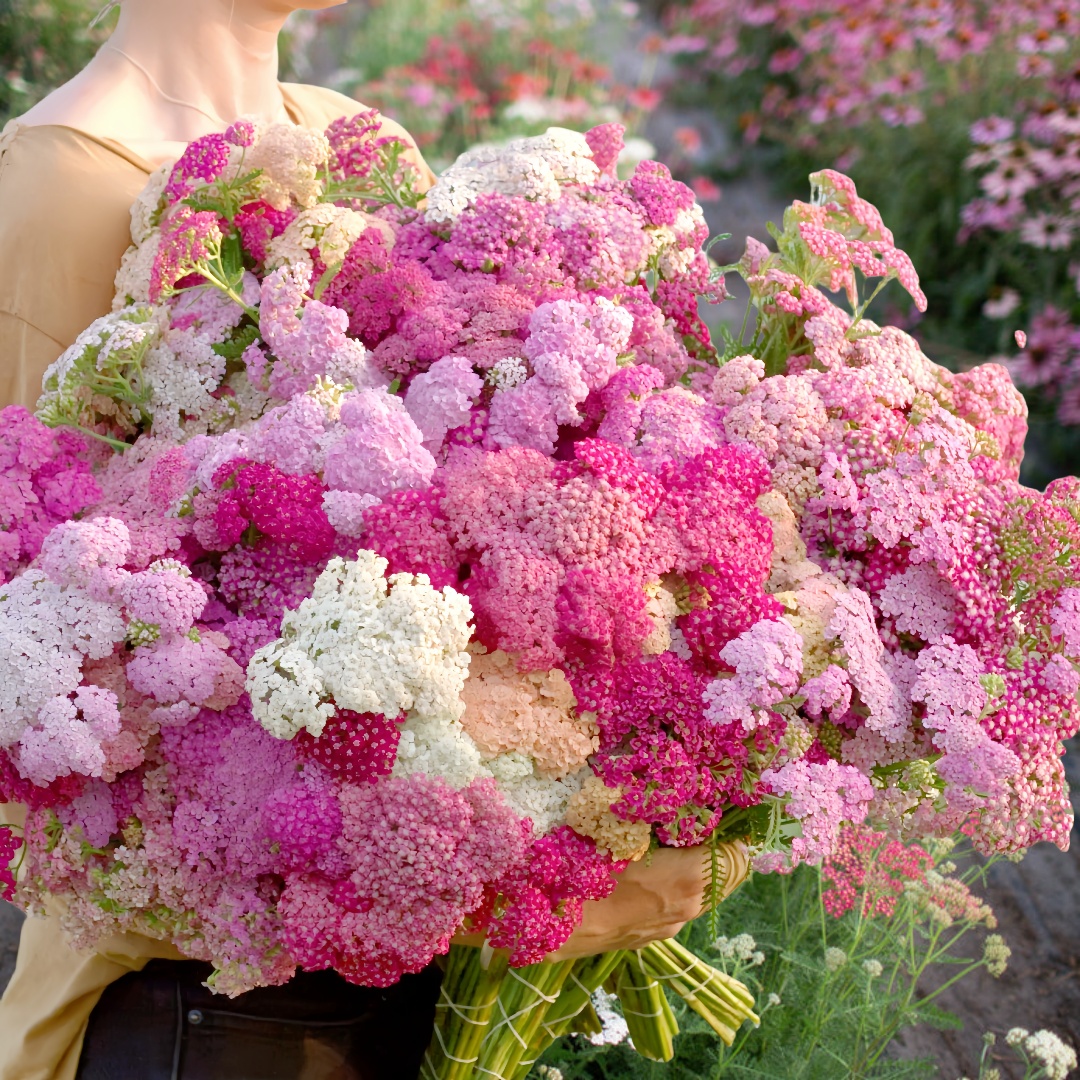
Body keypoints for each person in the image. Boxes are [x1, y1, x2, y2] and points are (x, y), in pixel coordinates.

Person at [0, 2, 748, 1076]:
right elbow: (44, 662)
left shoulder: (357, 138)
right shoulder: (66, 177)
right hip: (192, 1005)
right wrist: (528, 896)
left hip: (396, 984)